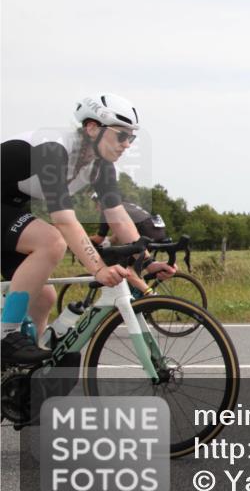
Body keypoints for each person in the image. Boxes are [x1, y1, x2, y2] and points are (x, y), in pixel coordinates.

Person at [1, 94, 175, 365]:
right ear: (92, 127)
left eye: (132, 138)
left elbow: (117, 215)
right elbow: (63, 220)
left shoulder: (101, 167)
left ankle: (23, 379)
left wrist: (148, 262)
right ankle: (5, 336)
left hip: (11, 207)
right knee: (51, 241)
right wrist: (98, 268)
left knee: (43, 296)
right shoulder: (54, 149)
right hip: (6, 208)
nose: (127, 144)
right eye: (121, 136)